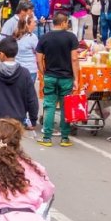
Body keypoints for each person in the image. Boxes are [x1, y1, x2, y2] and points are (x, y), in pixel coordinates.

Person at [0, 36, 40, 134]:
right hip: (17, 121)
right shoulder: (24, 73)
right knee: (13, 148)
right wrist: (33, 119)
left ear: (2, 54)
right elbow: (32, 99)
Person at [35, 14, 80, 147]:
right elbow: (74, 59)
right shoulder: (71, 37)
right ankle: (65, 138)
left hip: (50, 76)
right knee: (65, 106)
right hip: (66, 77)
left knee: (49, 106)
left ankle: (47, 137)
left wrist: (44, 72)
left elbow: (39, 58)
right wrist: (76, 78)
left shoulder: (44, 37)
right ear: (63, 22)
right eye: (67, 22)